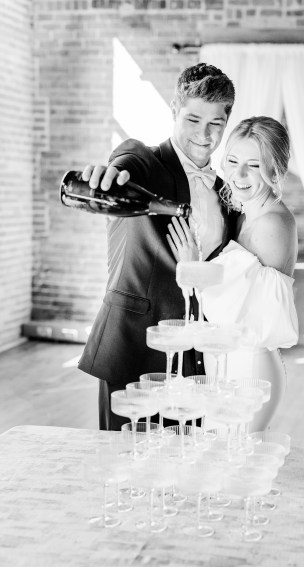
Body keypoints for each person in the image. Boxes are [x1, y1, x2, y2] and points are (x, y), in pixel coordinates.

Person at [77, 63, 237, 431]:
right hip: (135, 346)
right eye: (193, 119)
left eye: (216, 123)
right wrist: (108, 180)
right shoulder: (144, 162)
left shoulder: (226, 192)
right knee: (126, 468)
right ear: (174, 111)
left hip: (195, 359)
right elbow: (119, 173)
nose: (203, 133)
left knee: (185, 472)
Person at [167, 116, 299, 431]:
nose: (238, 174)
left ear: (275, 169)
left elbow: (235, 317)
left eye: (253, 165)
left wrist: (192, 266)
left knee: (237, 462)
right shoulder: (243, 217)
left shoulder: (272, 225)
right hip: (225, 363)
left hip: (249, 367)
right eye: (233, 160)